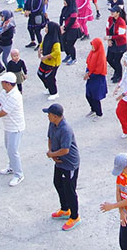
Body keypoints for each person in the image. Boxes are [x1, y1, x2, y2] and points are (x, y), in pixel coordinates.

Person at [45, 103, 81, 231]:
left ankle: (75, 216)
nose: (47, 116)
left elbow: (65, 150)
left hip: (69, 164)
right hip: (59, 161)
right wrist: (52, 153)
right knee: (58, 183)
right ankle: (65, 209)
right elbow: (49, 138)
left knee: (69, 190)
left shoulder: (65, 129)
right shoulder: (52, 124)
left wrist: (52, 155)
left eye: (49, 114)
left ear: (55, 116)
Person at [36, 22, 62, 100]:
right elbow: (42, 43)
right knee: (40, 74)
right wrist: (39, 49)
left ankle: (54, 92)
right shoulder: (47, 36)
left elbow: (57, 52)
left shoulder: (56, 41)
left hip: (53, 63)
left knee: (50, 77)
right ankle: (49, 88)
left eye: (47, 28)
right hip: (45, 61)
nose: (45, 29)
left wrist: (46, 56)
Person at [83, 37, 108, 117]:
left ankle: (99, 113)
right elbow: (89, 64)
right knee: (88, 95)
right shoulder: (92, 53)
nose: (92, 48)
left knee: (95, 97)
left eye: (93, 46)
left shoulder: (101, 56)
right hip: (91, 77)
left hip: (97, 79)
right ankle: (93, 109)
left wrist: (89, 75)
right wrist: (87, 72)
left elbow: (99, 70)